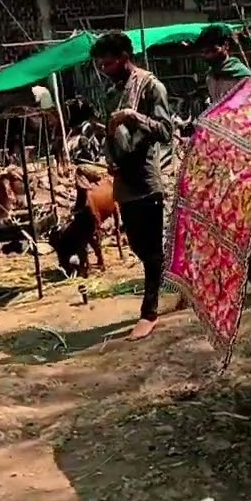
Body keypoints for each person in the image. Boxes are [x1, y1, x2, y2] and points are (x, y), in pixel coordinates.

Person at [90, 32, 176, 341]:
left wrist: (133, 115)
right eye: (99, 64)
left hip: (147, 178)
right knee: (138, 246)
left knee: (151, 250)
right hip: (123, 180)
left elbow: (166, 131)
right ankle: (174, 285)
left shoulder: (152, 87)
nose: (103, 68)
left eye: (109, 62)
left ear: (126, 58)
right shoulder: (112, 92)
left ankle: (149, 312)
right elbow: (110, 133)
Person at [195, 24, 251, 106]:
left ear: (226, 46)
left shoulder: (242, 76)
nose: (209, 55)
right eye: (205, 52)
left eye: (213, 50)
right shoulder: (210, 77)